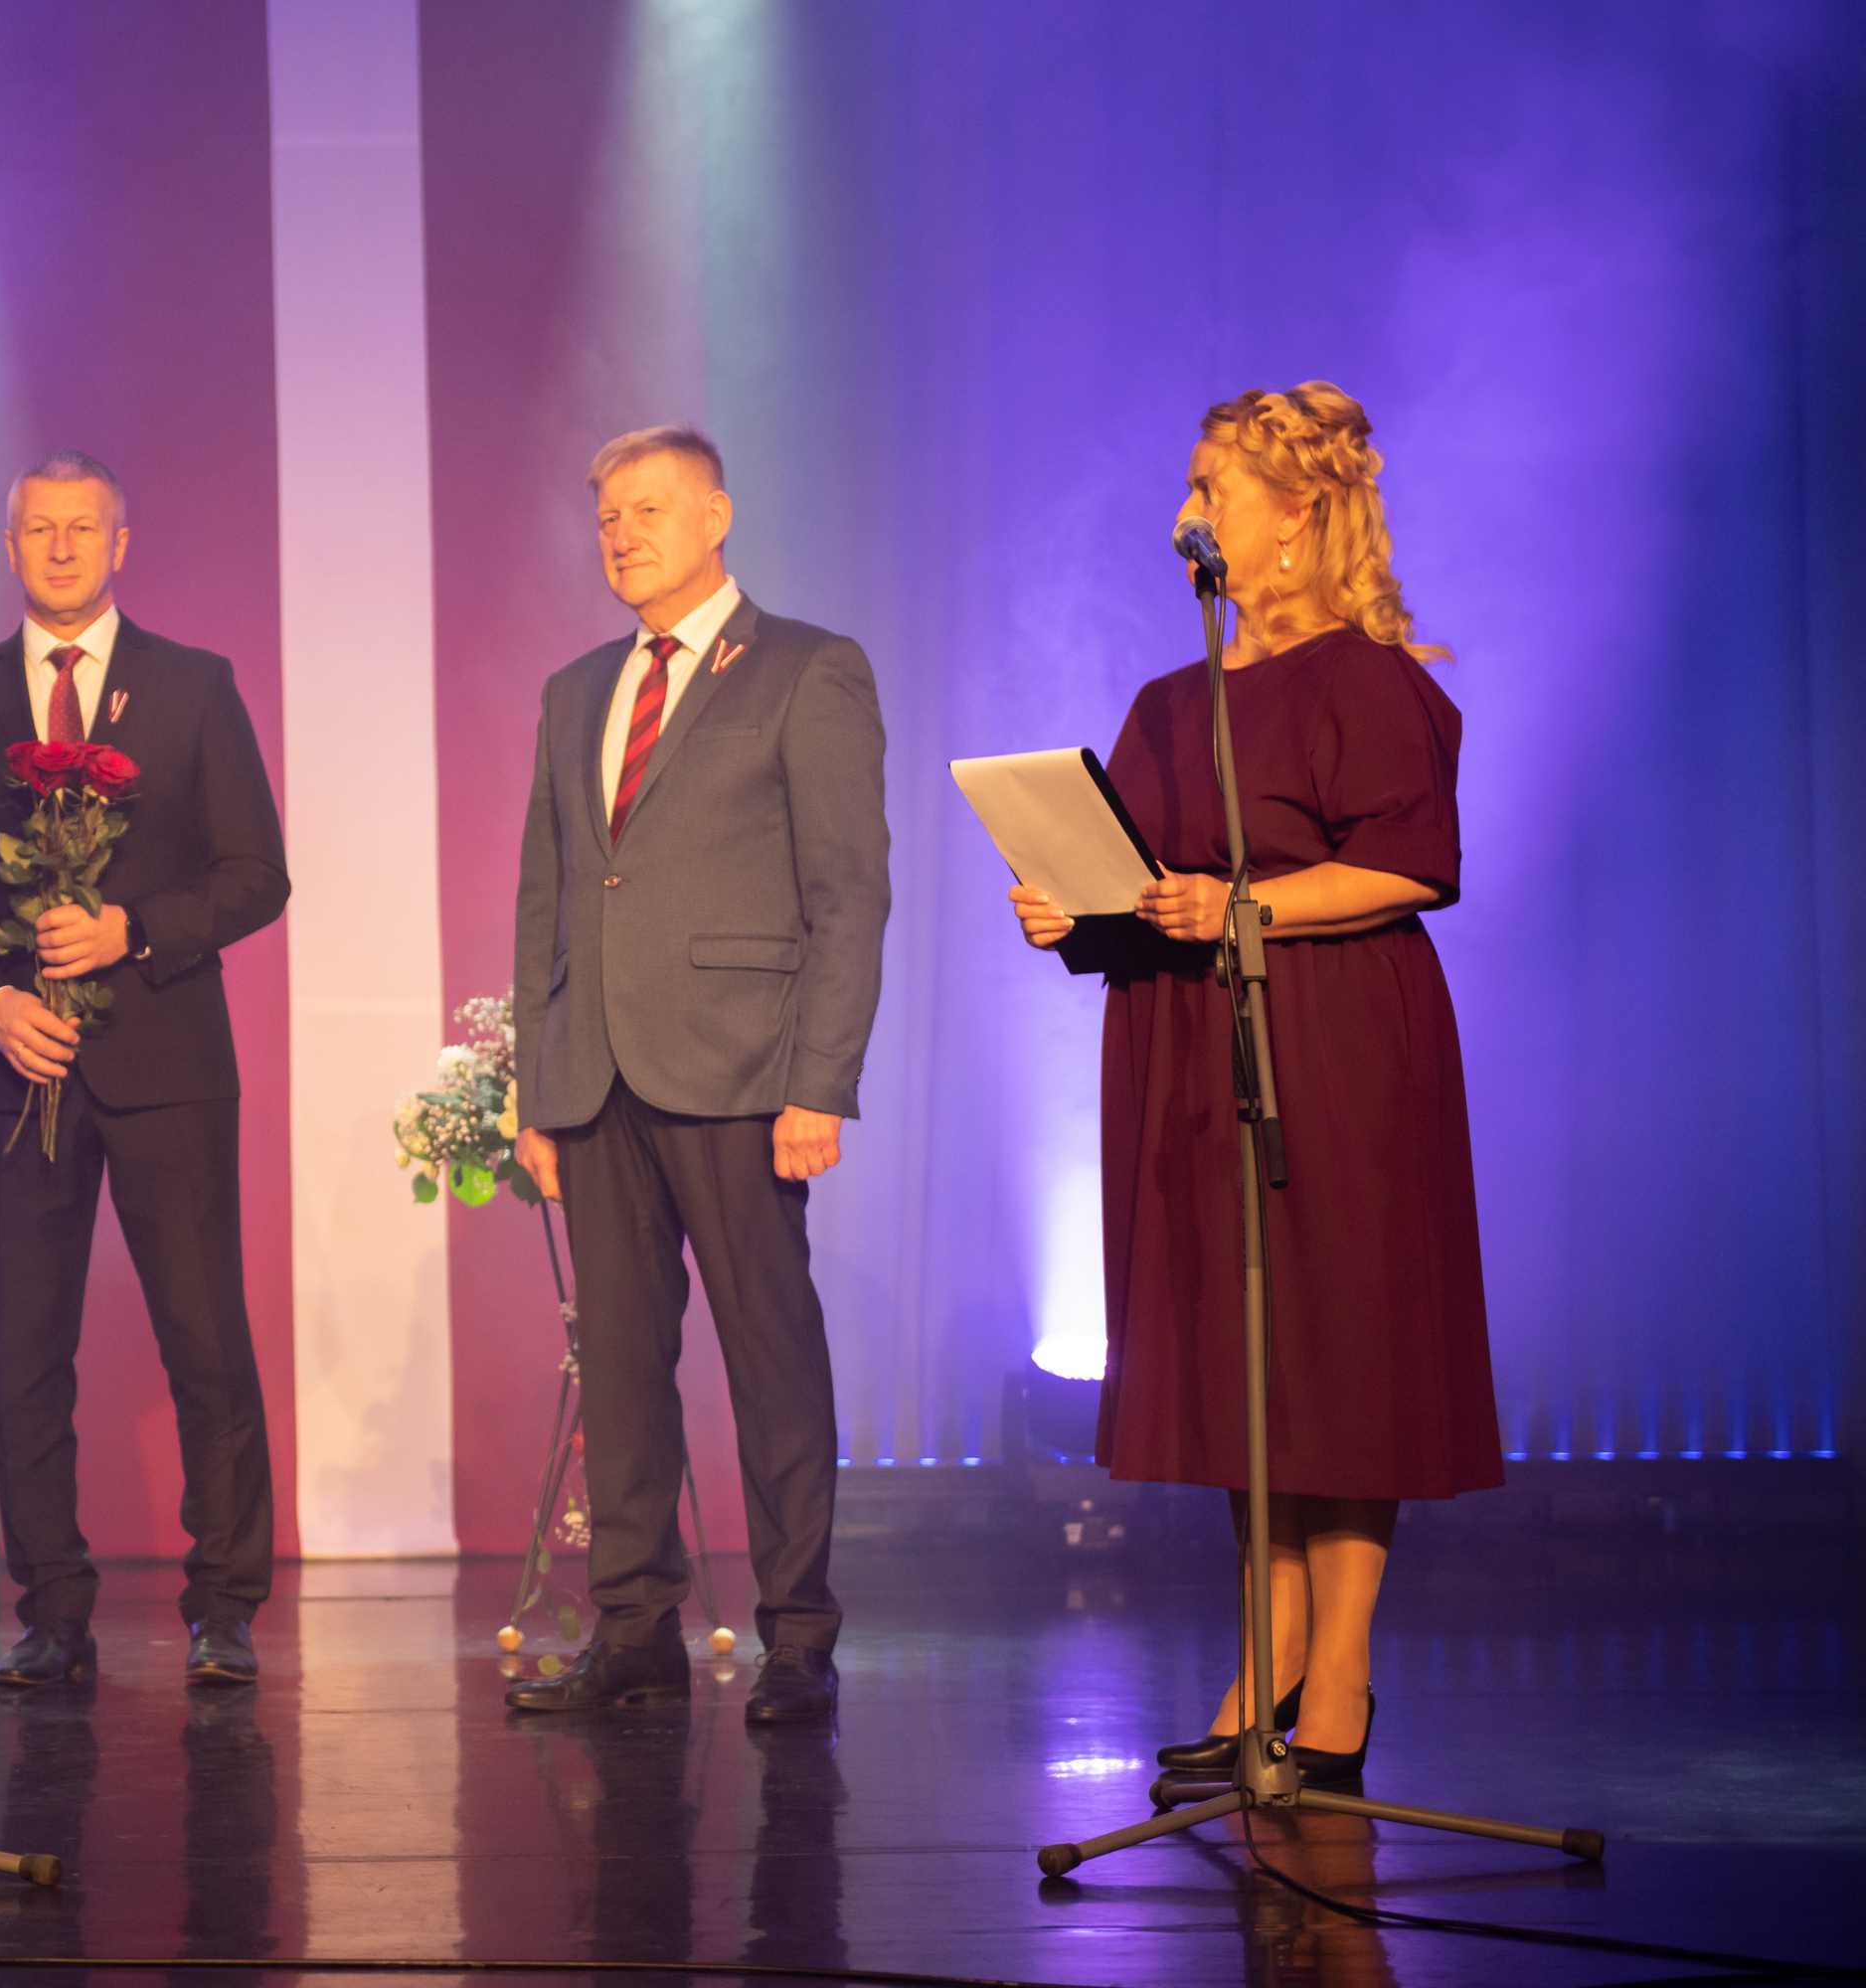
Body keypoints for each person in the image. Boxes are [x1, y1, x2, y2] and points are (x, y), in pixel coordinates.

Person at [1008, 382, 1501, 1782]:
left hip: (1335, 1041)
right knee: (1248, 1352)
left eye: (1210, 487)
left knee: (1341, 1347)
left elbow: (1410, 864)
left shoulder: (1370, 680)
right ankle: (1264, 1654)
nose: (1186, 512)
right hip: (1191, 1044)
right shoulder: (1171, 704)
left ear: (1295, 515)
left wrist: (1244, 907)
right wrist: (1071, 911)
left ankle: (1336, 1676)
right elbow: (1141, 891)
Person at [0, 451, 289, 1689]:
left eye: (83, 528)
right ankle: (52, 1606)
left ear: (121, 544)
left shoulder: (194, 685)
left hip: (169, 1062)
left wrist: (135, 930)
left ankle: (225, 1605)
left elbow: (256, 874)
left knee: (205, 1340)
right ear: (10, 545)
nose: (60, 547)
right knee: (26, 1354)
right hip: (17, 1071)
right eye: (39, 528)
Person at [507, 426, 891, 1726]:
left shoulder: (806, 667)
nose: (622, 534)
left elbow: (848, 893)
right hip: (598, 1077)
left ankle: (799, 1636)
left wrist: (820, 1081)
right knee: (619, 1366)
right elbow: (550, 896)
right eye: (607, 515)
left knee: (770, 1357)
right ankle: (632, 1629)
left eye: (649, 509)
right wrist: (537, 1085)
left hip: (743, 1072)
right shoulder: (576, 690)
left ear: (716, 515)